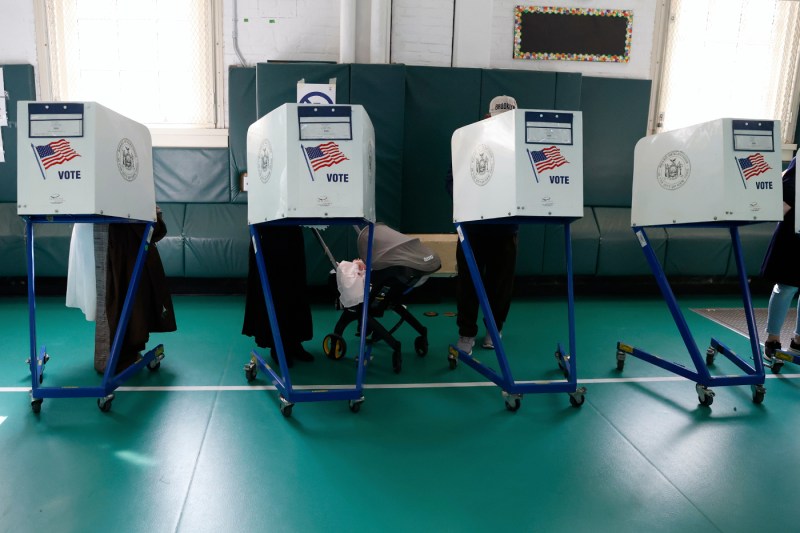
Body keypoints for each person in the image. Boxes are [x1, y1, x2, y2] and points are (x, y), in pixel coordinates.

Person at [446, 95, 520, 354]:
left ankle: (494, 328)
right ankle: (466, 333)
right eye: (498, 118)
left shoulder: (520, 146)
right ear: (488, 117)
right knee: (467, 282)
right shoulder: (469, 141)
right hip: (472, 227)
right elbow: (451, 180)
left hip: (505, 227)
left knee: (501, 283)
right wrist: (467, 198)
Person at [77, 207, 177, 374]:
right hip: (112, 236)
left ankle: (126, 352)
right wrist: (154, 214)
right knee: (119, 296)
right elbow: (154, 229)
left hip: (104, 231)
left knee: (125, 296)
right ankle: (114, 358)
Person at [242, 226, 315, 368]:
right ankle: (277, 345)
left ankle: (294, 342)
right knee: (275, 290)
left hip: (291, 228)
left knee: (295, 286)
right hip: (268, 230)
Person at [762, 155, 799, 359]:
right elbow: (789, 188)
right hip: (794, 231)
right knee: (787, 285)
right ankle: (772, 340)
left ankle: (798, 340)